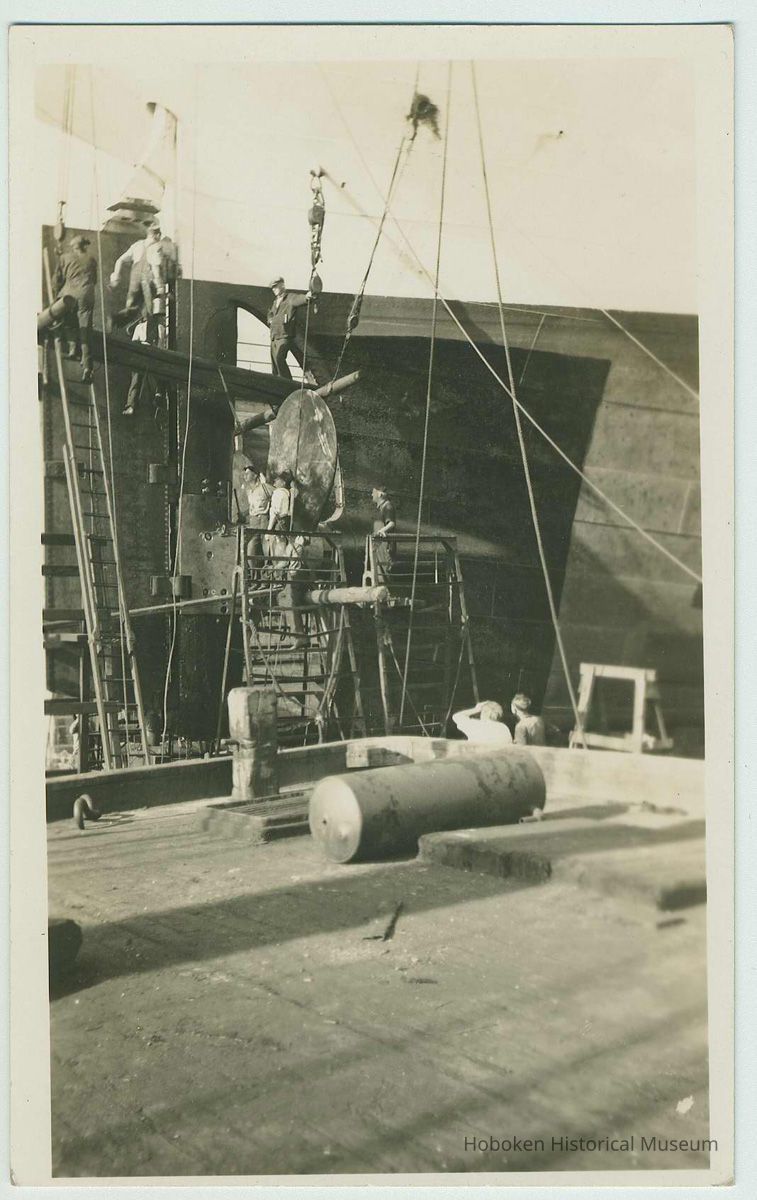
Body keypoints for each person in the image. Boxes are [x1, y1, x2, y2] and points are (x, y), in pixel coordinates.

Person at [110, 221, 179, 330]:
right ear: (157, 235)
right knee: (150, 310)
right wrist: (160, 287)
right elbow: (155, 267)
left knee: (131, 307)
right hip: (148, 279)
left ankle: (115, 320)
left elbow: (120, 260)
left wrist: (116, 276)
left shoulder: (137, 245)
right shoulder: (157, 247)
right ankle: (150, 339)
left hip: (134, 280)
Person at [54, 234, 98, 383]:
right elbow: (95, 280)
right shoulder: (91, 259)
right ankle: (87, 368)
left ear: (73, 247)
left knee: (66, 318)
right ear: (84, 246)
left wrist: (57, 296)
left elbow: (57, 281)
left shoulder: (65, 257)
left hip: (70, 294)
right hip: (86, 294)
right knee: (85, 330)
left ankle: (72, 347)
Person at [266, 277, 312, 379]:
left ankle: (287, 382)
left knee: (279, 358)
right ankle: (278, 382)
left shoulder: (290, 298)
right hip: (274, 337)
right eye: (272, 288)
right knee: (275, 365)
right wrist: (270, 320)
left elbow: (299, 299)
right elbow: (270, 313)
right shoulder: (275, 302)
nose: (273, 289)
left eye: (275, 286)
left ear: (282, 285)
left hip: (284, 336)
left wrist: (307, 297)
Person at [122, 312, 159, 416]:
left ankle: (157, 397)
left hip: (153, 355)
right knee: (137, 378)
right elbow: (135, 343)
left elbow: (160, 343)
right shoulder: (139, 327)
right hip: (142, 353)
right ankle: (131, 405)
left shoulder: (158, 328)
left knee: (152, 378)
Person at [241, 465, 272, 578]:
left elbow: (278, 495)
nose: (245, 476)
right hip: (253, 523)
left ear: (255, 475)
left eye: (248, 473)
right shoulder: (250, 492)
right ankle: (255, 579)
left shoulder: (265, 488)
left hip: (264, 521)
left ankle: (266, 579)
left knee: (266, 552)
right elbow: (252, 508)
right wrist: (243, 514)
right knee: (250, 552)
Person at [267, 472, 292, 577]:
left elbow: (275, 512)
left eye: (277, 480)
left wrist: (269, 529)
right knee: (282, 548)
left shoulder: (278, 493)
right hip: (285, 521)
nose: (275, 481)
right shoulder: (287, 493)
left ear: (283, 482)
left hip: (278, 522)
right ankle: (281, 576)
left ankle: (278, 576)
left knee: (277, 550)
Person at [371, 485, 397, 582]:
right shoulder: (381, 508)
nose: (371, 495)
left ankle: (389, 594)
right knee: (380, 573)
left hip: (386, 547)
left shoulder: (387, 506)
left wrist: (382, 530)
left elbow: (391, 523)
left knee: (386, 571)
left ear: (380, 494)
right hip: (379, 546)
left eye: (373, 492)